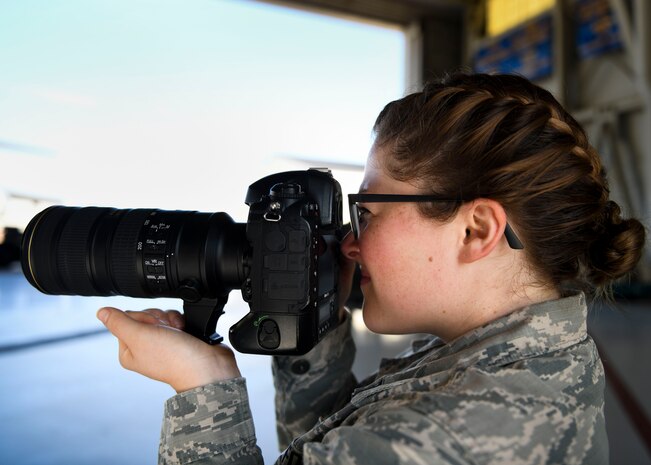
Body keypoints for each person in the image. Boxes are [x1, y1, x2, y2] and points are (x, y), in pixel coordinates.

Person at [96, 72, 646, 465]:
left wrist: (203, 389)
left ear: (476, 230)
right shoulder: (504, 358)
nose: (349, 244)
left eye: (368, 213)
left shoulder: (463, 431)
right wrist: (312, 315)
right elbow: (334, 444)